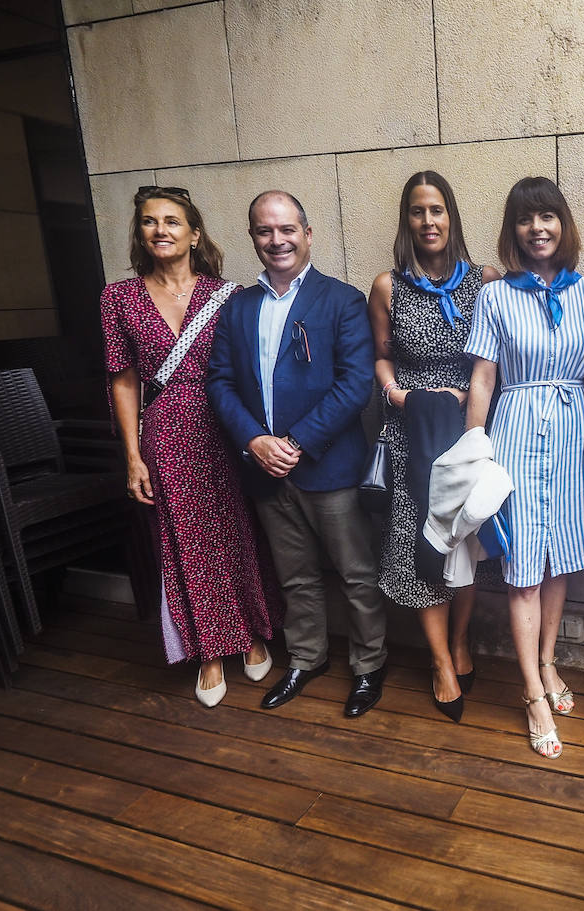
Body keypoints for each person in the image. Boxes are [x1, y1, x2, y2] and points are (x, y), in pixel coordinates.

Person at [206, 190, 389, 718]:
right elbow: (218, 381)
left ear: (308, 235)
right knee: (295, 576)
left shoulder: (342, 300)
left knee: (356, 573)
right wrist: (254, 441)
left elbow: (356, 385)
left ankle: (369, 666)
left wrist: (296, 443)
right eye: (265, 231)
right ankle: (307, 659)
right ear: (253, 239)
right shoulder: (237, 307)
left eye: (287, 229)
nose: (276, 240)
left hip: (328, 467)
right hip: (264, 469)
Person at [102, 185, 282, 707]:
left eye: (172, 221)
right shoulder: (118, 297)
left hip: (225, 429)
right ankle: (209, 650)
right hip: (165, 435)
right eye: (150, 222)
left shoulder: (227, 294)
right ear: (139, 233)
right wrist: (133, 456)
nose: (161, 229)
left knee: (238, 531)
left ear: (194, 233)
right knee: (186, 543)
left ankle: (250, 632)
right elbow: (123, 380)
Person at [465, 176, 584, 759]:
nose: (537, 228)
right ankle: (531, 692)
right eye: (525, 219)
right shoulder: (494, 296)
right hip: (517, 429)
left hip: (575, 434)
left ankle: (548, 662)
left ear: (563, 225)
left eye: (547, 216)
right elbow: (483, 380)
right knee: (524, 566)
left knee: (558, 559)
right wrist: (475, 449)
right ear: (513, 231)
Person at [368, 171, 500, 723]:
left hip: (465, 435)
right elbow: (380, 355)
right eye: (418, 211)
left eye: (438, 210)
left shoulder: (486, 281)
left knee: (462, 543)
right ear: (408, 220)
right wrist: (399, 394)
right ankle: (442, 662)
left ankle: (463, 639)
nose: (429, 221)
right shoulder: (386, 287)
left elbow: (495, 360)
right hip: (411, 437)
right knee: (423, 545)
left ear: (453, 217)